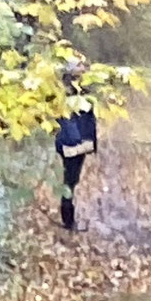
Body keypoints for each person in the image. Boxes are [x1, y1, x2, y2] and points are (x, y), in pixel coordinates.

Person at [53, 62, 98, 232]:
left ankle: (69, 220)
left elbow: (88, 120)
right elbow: (66, 122)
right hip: (72, 145)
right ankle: (68, 221)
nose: (84, 69)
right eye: (79, 67)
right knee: (69, 182)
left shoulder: (83, 92)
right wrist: (77, 142)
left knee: (72, 181)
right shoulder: (65, 95)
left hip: (80, 144)